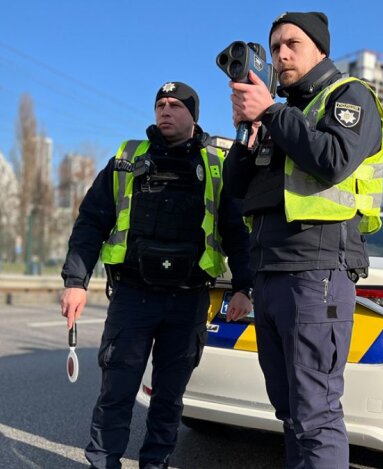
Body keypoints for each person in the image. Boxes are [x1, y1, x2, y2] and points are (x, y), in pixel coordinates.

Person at [224, 11, 383, 469]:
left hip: (316, 275)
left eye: (291, 43)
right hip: (271, 275)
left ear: (319, 48)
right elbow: (236, 189)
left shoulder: (348, 96)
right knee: (291, 412)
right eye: (275, 46)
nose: (280, 54)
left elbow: (333, 159)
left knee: (315, 415)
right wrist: (248, 131)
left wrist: (272, 113)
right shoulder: (282, 114)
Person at [60, 81, 253, 469]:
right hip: (134, 296)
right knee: (116, 391)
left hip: (188, 299)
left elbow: (236, 232)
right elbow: (91, 222)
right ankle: (102, 463)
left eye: (175, 105)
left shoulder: (216, 165)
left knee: (168, 398)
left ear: (193, 115)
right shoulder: (127, 159)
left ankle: (155, 464)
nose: (166, 111)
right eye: (160, 105)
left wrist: (244, 287)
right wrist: (75, 282)